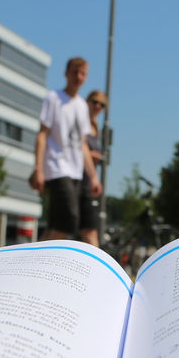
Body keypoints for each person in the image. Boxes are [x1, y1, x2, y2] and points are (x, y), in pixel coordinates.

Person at [30, 57, 100, 241]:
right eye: (75, 72)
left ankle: (32, 263)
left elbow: (82, 143)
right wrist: (38, 169)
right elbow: (42, 134)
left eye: (82, 73)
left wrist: (93, 176)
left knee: (56, 225)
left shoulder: (82, 106)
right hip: (57, 167)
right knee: (68, 221)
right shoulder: (53, 98)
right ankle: (44, 264)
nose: (78, 77)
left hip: (76, 172)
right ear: (66, 74)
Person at [77, 90, 107, 247]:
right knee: (61, 229)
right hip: (75, 179)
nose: (97, 106)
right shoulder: (80, 122)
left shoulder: (95, 126)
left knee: (89, 229)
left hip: (87, 184)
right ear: (87, 101)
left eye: (102, 104)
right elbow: (77, 147)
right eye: (94, 102)